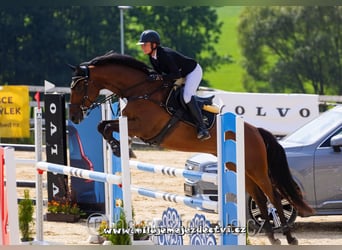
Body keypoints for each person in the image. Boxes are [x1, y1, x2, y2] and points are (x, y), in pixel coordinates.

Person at [137, 29, 210, 140]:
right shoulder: (152, 58)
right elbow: (162, 75)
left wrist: (158, 77)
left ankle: (202, 128)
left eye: (145, 44)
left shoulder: (165, 55)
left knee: (186, 96)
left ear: (154, 45)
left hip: (192, 72)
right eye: (142, 45)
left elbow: (174, 75)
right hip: (180, 74)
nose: (142, 47)